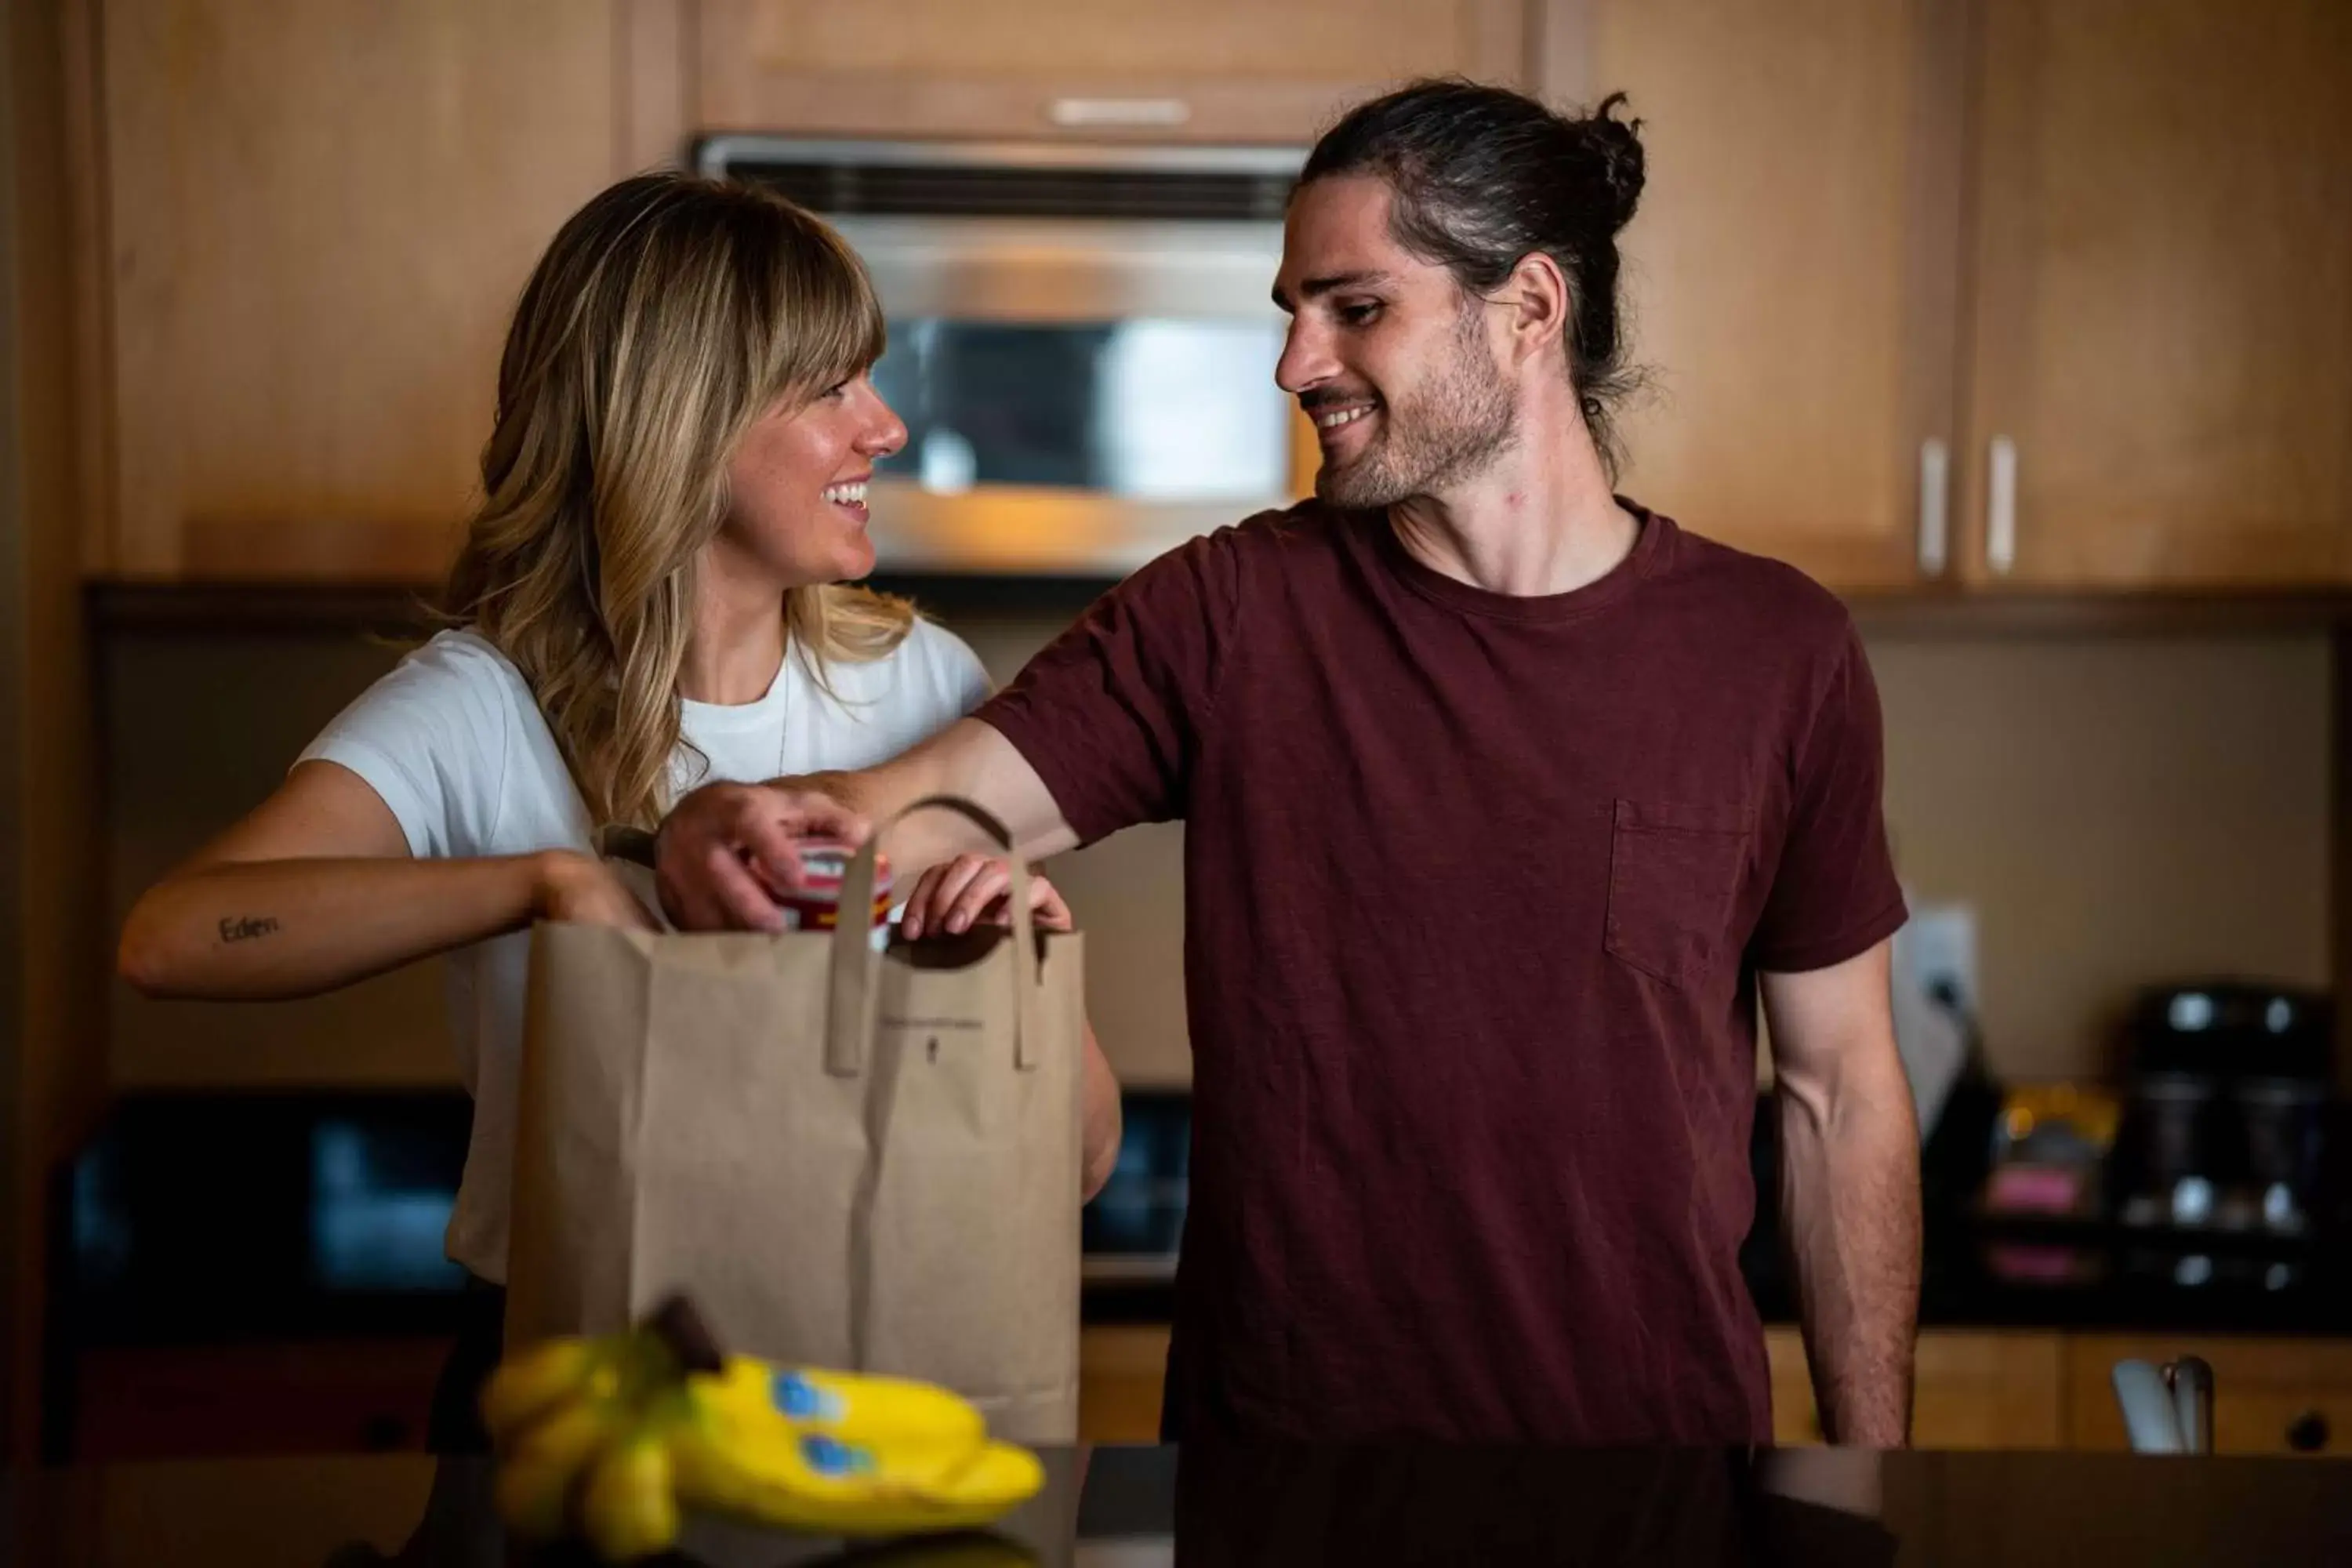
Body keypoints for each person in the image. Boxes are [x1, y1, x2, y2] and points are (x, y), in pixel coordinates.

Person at [653, 81, 1922, 1445]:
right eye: (1290, 312)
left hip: (1653, 1477)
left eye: (1355, 307)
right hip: (1286, 1477)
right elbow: (926, 816)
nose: (1296, 362)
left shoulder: (1773, 650)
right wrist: (728, 827)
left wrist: (1877, 1470)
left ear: (1532, 311)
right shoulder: (1231, 614)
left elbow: (1840, 1093)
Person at [114, 171, 1125, 1449]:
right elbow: (173, 938)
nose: (886, 430)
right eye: (830, 388)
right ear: (685, 418)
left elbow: (1079, 1165)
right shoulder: (481, 706)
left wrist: (1022, 958)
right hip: (571, 1389)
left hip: (878, 1357)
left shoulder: (923, 689)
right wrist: (548, 885)